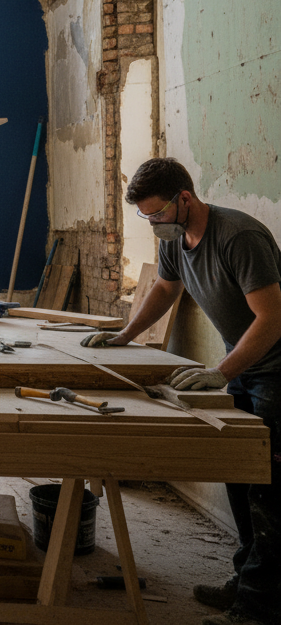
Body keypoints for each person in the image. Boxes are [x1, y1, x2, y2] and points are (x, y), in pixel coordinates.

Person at [81, 157, 281, 625]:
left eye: (157, 214)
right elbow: (165, 291)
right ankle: (244, 582)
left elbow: (272, 319)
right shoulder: (175, 237)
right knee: (240, 472)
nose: (154, 224)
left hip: (274, 369)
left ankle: (258, 608)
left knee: (270, 491)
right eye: (146, 217)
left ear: (184, 199)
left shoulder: (240, 237)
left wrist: (222, 371)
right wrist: (125, 336)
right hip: (245, 366)